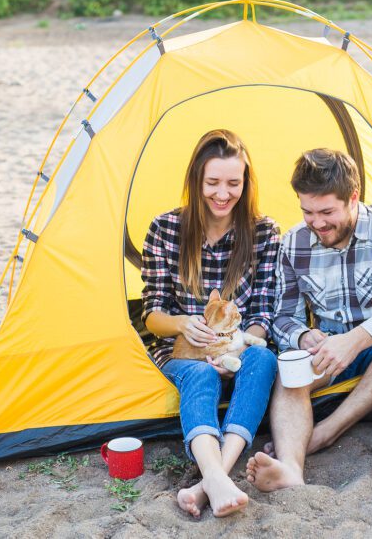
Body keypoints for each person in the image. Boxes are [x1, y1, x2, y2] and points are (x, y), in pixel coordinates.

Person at [246, 148, 372, 491]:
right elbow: (282, 317)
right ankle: (290, 468)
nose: (317, 222)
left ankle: (327, 432)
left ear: (353, 197)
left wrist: (359, 338)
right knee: (289, 367)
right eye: (307, 211)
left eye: (326, 211)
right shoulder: (293, 244)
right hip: (327, 351)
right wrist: (304, 337)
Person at [141, 130, 279, 517]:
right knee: (201, 375)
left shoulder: (263, 231)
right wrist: (183, 323)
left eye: (233, 183)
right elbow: (152, 314)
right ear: (197, 182)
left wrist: (237, 346)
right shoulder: (166, 229)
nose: (223, 194)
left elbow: (263, 312)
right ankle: (216, 478)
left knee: (264, 360)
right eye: (213, 183)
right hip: (181, 351)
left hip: (237, 349)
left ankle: (212, 478)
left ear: (245, 183)